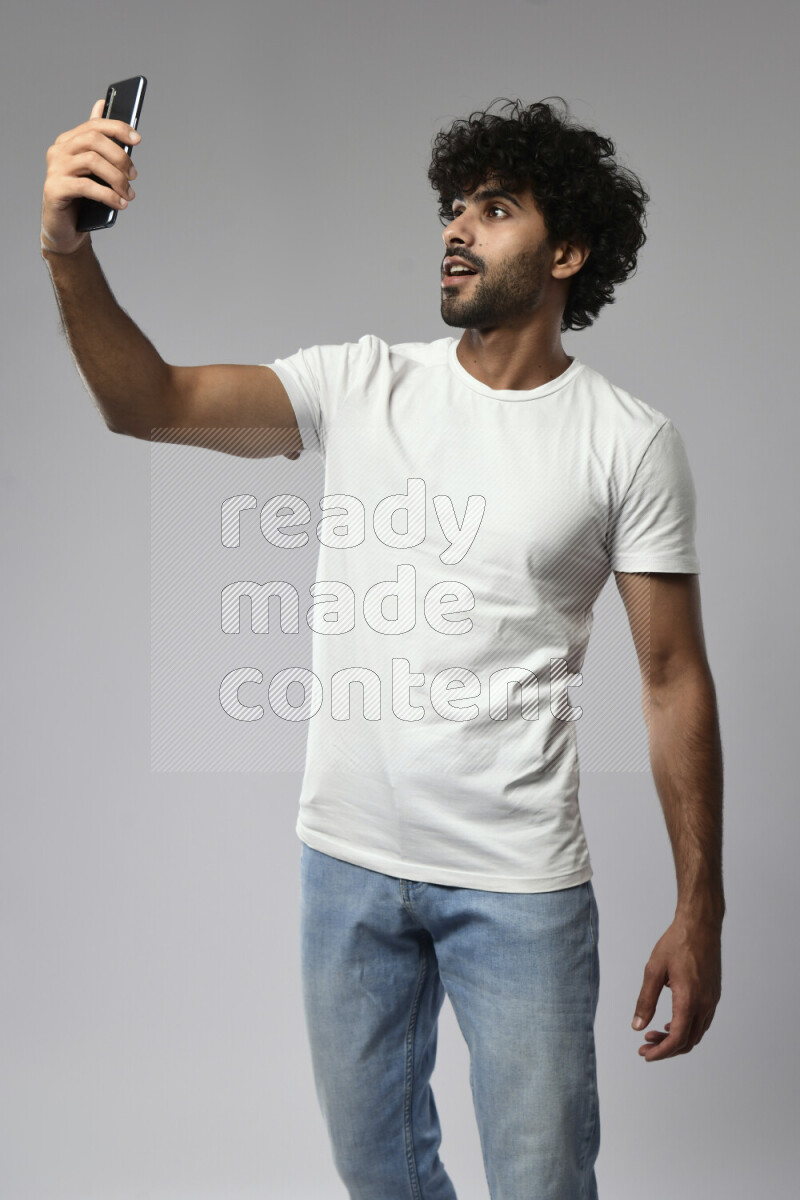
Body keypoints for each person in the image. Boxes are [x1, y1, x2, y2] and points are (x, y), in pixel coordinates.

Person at [41, 94, 725, 1200]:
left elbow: (670, 679)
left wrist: (700, 910)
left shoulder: (627, 443)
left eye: (492, 209)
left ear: (567, 250)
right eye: (452, 207)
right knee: (382, 1185)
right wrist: (64, 249)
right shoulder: (362, 383)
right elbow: (147, 401)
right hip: (345, 872)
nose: (455, 228)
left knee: (543, 1186)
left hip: (518, 889)